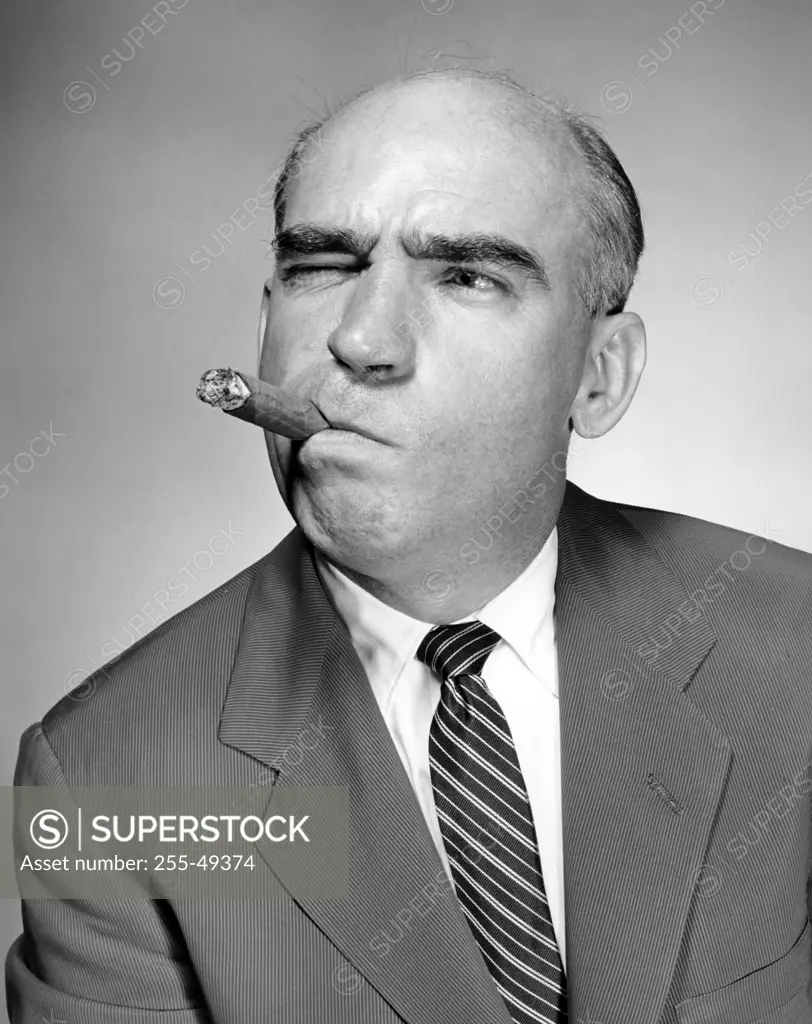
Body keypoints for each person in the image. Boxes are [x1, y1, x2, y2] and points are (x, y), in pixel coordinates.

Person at [7, 66, 812, 1024]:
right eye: (323, 267)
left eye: (466, 275)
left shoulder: (792, 652)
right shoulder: (106, 776)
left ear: (599, 377)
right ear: (266, 324)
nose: (360, 338)